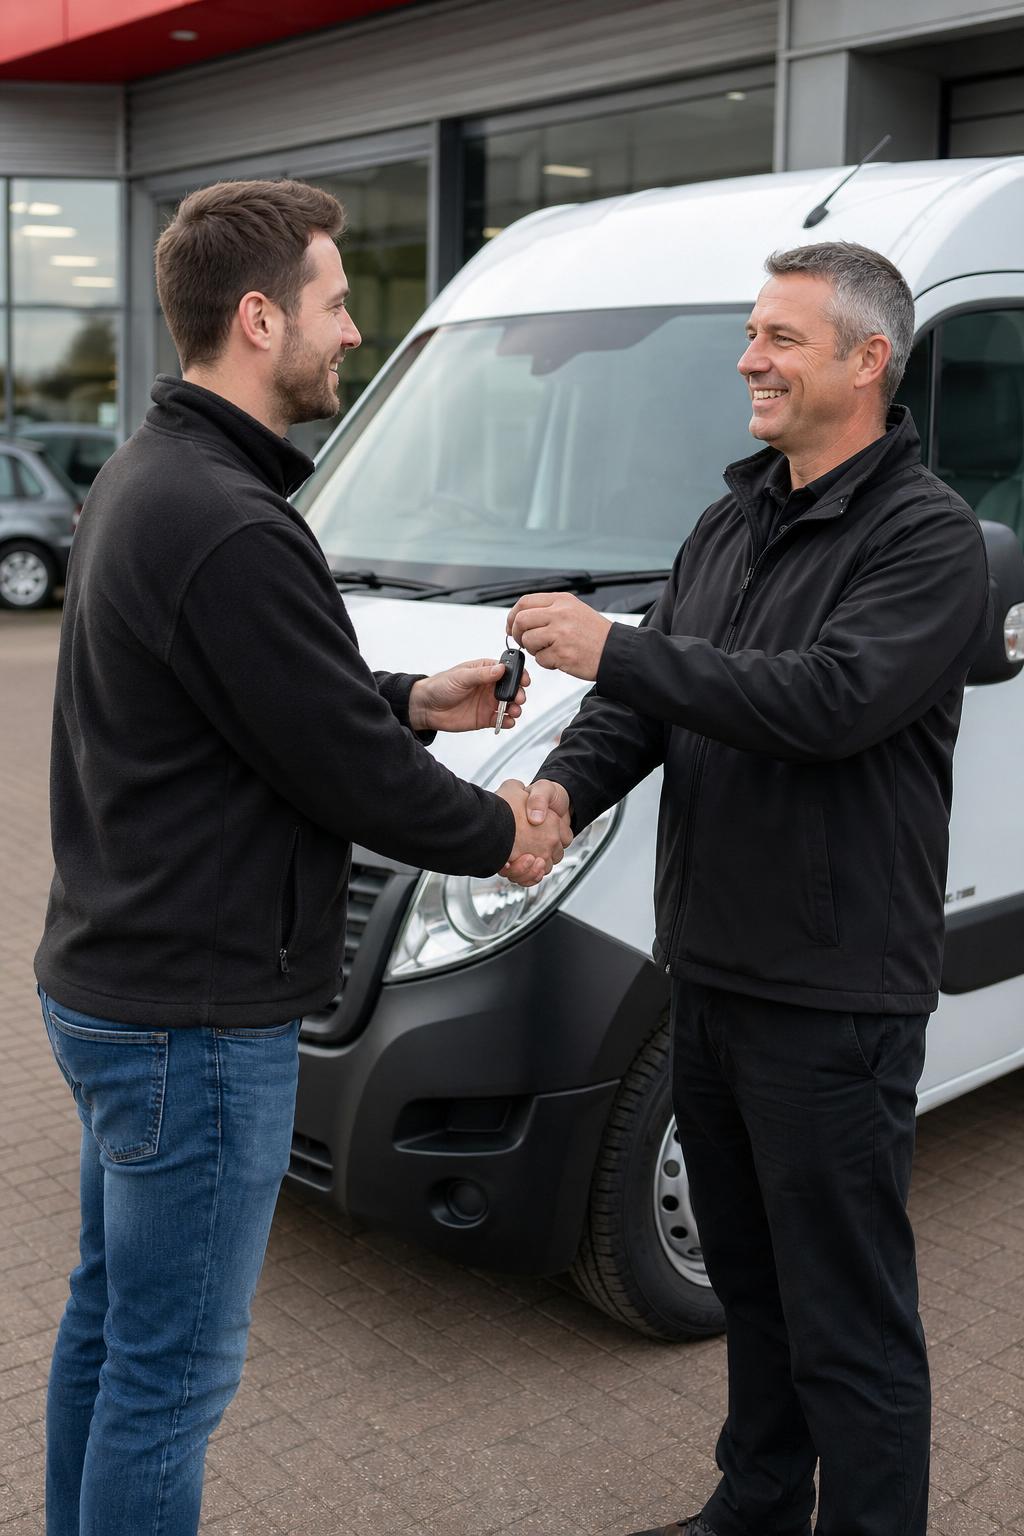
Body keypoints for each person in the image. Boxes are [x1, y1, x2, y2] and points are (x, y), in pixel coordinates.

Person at [33, 177, 569, 1536]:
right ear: (260, 317)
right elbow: (341, 772)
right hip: (196, 1022)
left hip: (120, 988)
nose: (349, 333)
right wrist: (498, 832)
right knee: (175, 1376)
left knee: (111, 1329)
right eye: (334, 304)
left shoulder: (158, 484)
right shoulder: (226, 519)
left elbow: (255, 700)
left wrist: (406, 697)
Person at [506, 242, 992, 1536]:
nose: (749, 359)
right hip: (711, 977)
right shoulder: (733, 519)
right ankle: (760, 1503)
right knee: (759, 1291)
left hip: (834, 1000)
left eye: (779, 336)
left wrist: (616, 647)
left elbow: (827, 703)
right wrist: (560, 791)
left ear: (867, 359)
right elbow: (653, 690)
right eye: (753, 333)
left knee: (849, 1320)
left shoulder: (926, 540)